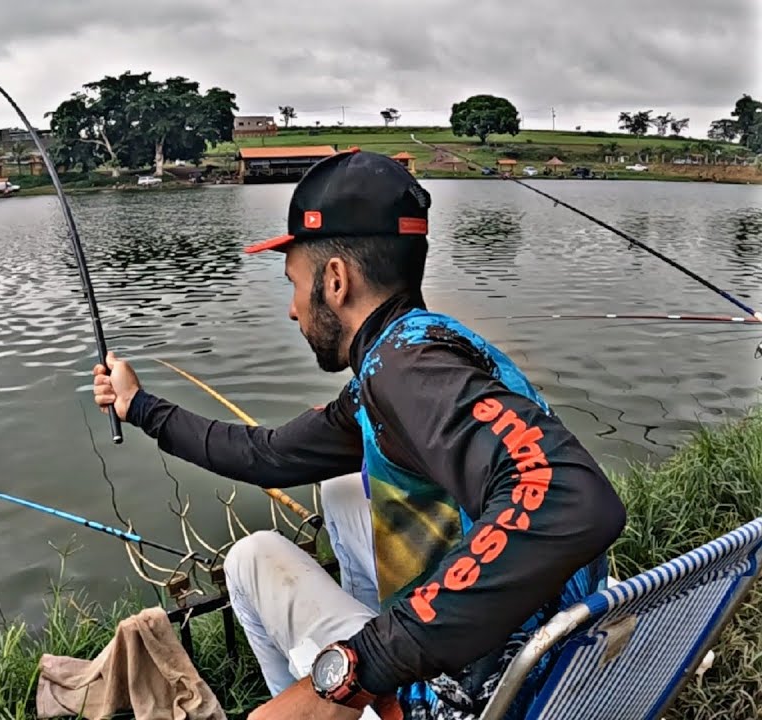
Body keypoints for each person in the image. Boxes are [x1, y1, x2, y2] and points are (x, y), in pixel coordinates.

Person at [92, 149, 627, 720]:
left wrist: (359, 666)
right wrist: (141, 407)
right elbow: (269, 456)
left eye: (294, 284)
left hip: (483, 694)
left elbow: (570, 500)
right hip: (558, 658)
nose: (293, 311)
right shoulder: (421, 348)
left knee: (251, 558)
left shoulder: (404, 370)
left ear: (336, 280)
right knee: (344, 488)